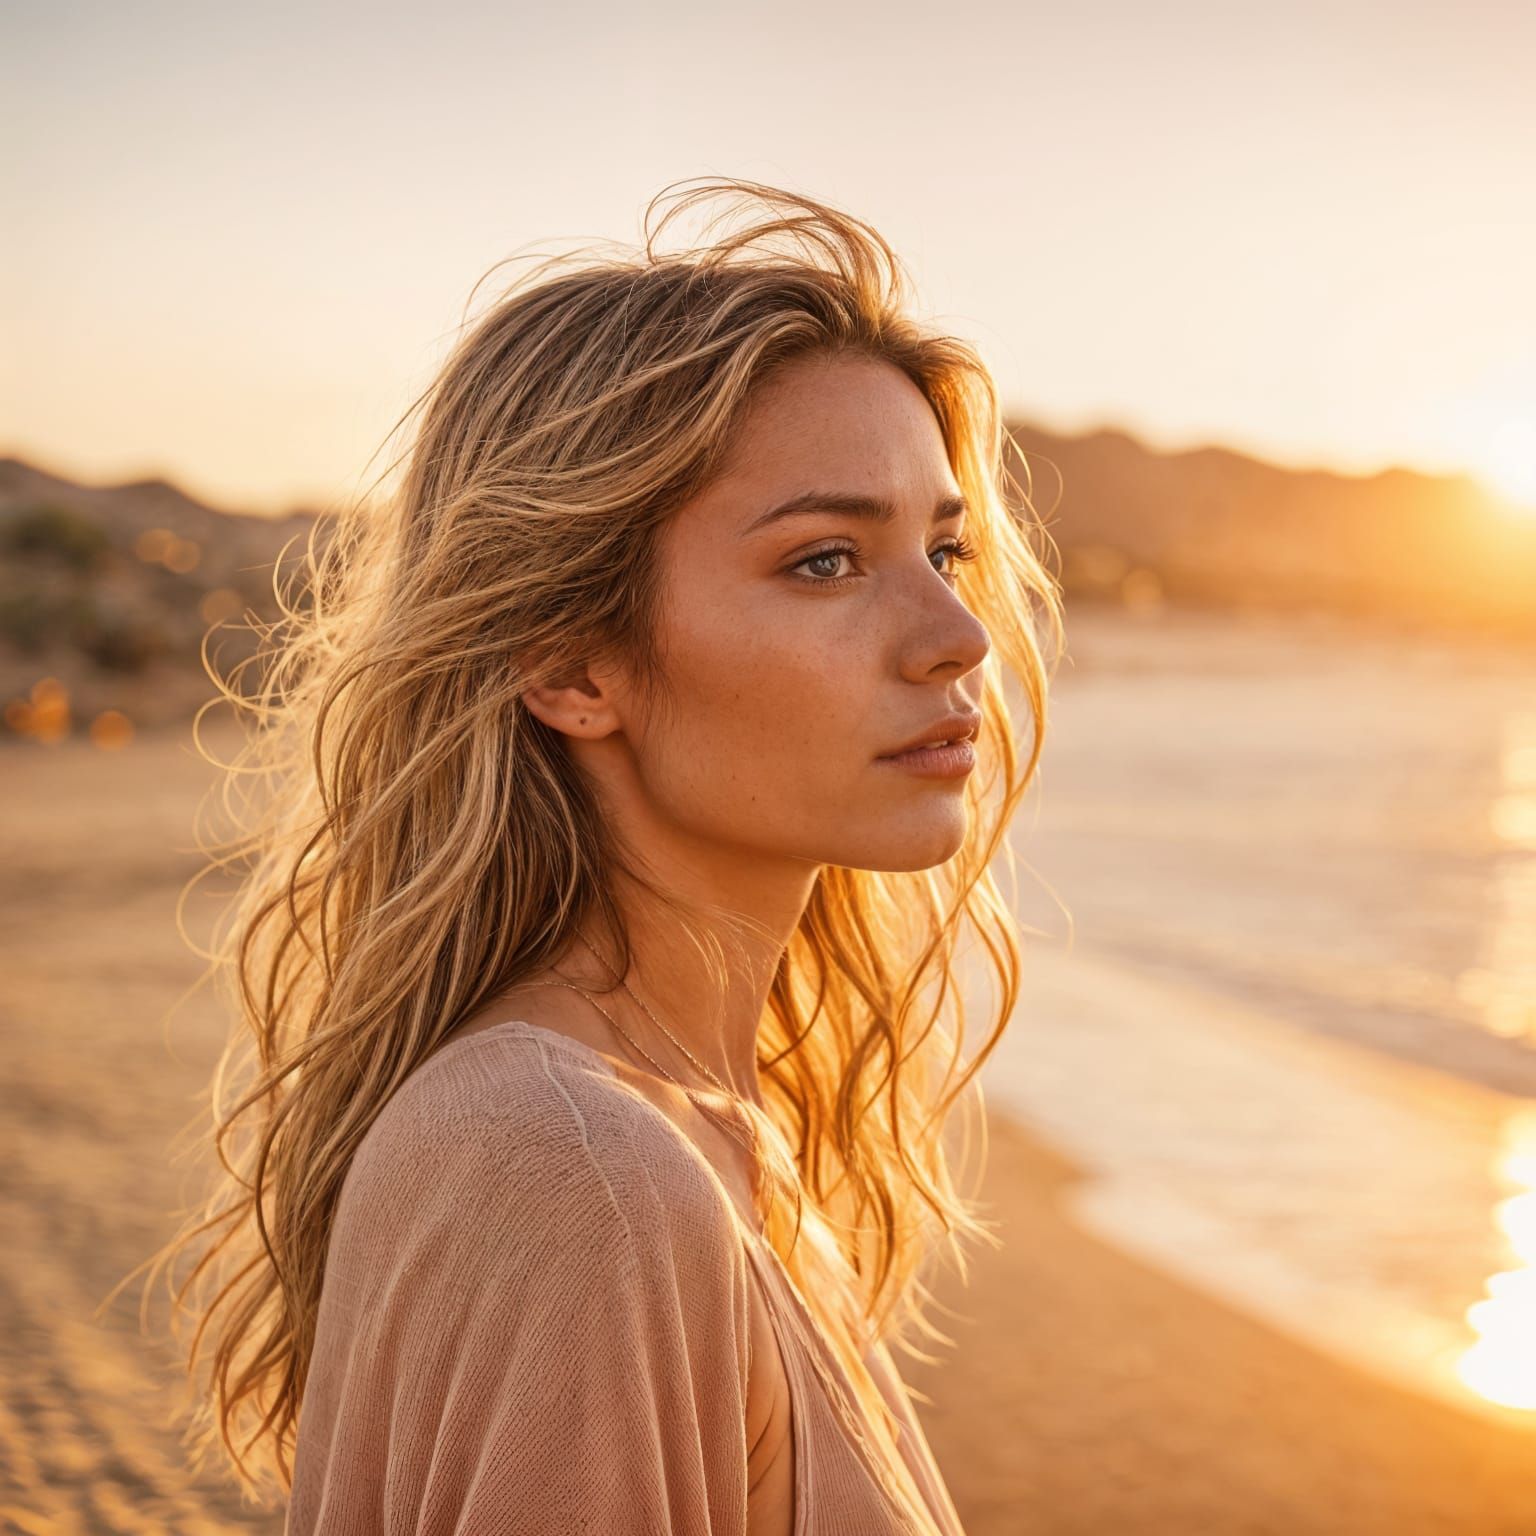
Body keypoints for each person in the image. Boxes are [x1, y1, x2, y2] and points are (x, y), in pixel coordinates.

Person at [144, 176, 1064, 1534]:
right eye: (824, 561)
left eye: (943, 545)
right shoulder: (581, 1174)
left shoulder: (687, 1145)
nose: (959, 635)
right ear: (572, 663)